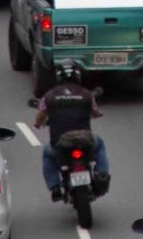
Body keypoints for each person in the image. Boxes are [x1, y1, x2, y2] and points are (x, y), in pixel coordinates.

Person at [34, 59, 109, 201]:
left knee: (47, 153)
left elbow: (41, 116)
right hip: (85, 140)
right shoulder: (87, 94)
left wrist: (38, 124)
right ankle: (102, 175)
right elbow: (95, 112)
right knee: (100, 145)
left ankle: (55, 186)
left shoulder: (49, 96)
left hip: (60, 143)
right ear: (77, 75)